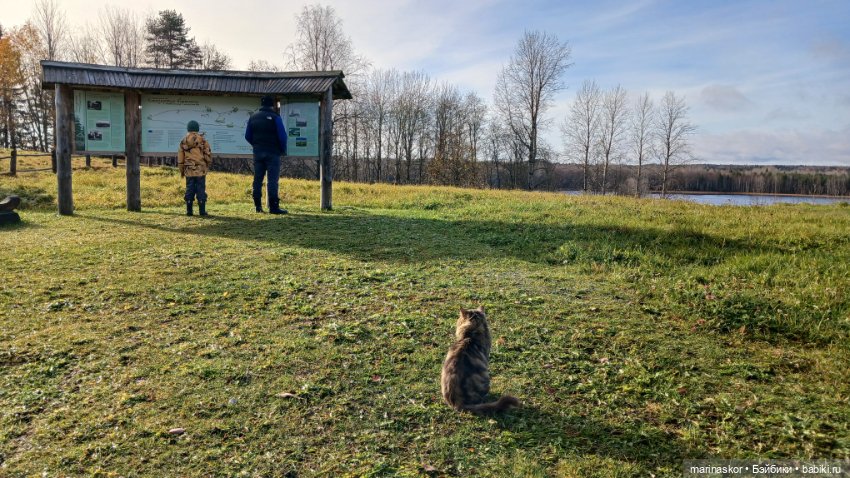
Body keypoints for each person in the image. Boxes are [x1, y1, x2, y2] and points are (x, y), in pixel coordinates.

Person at [244, 95, 287, 214]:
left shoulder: (253, 117)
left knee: (257, 179)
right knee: (272, 181)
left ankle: (258, 206)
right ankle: (274, 207)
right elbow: (282, 136)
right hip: (273, 153)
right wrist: (282, 149)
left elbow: (247, 136)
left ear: (262, 105)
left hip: (258, 153)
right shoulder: (275, 117)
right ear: (272, 105)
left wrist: (256, 145)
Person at [178, 120, 213, 216]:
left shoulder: (183, 141)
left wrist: (182, 171)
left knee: (189, 188)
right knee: (201, 189)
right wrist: (206, 164)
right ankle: (202, 211)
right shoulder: (203, 140)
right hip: (200, 170)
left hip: (189, 170)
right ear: (197, 129)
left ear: (188, 129)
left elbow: (180, 159)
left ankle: (189, 211)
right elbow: (208, 156)